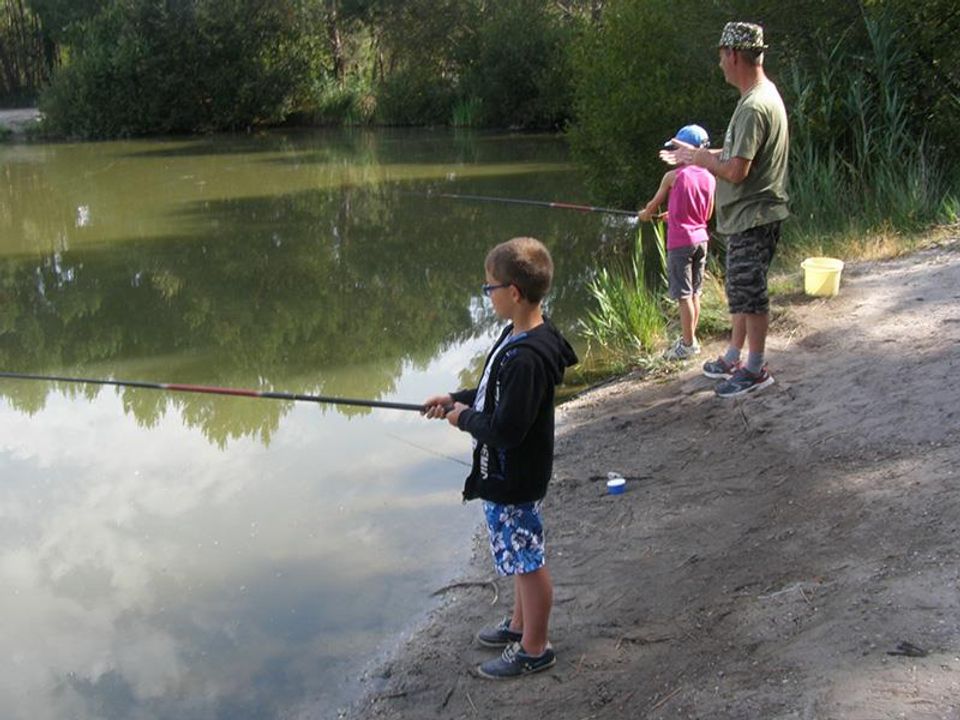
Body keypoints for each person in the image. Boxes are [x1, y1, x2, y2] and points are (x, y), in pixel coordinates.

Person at [423, 237, 578, 679]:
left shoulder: (528, 357)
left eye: (489, 287)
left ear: (513, 292)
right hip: (513, 473)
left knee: (527, 562)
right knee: (517, 555)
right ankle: (518, 625)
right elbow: (495, 391)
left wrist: (463, 419)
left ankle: (535, 647)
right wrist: (455, 399)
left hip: (515, 476)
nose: (486, 294)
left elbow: (507, 430)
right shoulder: (520, 334)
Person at [660, 21, 789, 397]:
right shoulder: (760, 96)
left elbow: (736, 170)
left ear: (733, 55)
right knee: (740, 290)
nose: (719, 65)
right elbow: (735, 155)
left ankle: (756, 367)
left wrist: (700, 157)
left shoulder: (753, 106)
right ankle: (735, 355)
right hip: (747, 217)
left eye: (721, 57)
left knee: (751, 292)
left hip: (755, 216)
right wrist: (692, 156)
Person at [638, 124, 717, 361]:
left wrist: (646, 214)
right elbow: (707, 214)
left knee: (683, 295)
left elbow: (652, 206)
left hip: (680, 243)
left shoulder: (672, 177)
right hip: (701, 239)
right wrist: (673, 215)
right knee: (695, 293)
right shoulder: (711, 177)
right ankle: (690, 338)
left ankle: (688, 344)